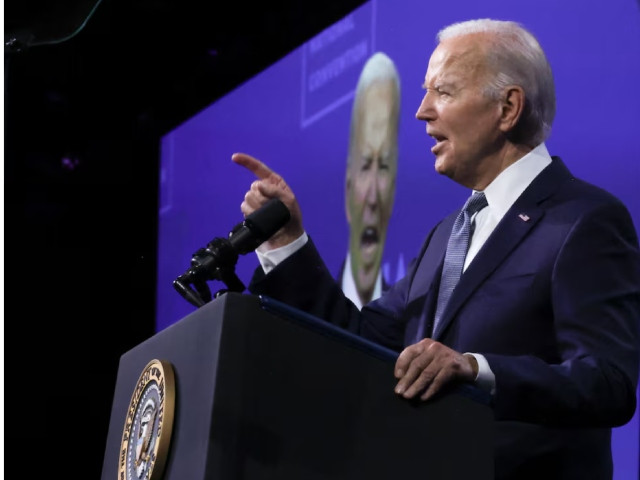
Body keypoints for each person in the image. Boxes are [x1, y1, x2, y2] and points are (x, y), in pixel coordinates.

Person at [232, 18, 640, 479]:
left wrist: (476, 370)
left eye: (442, 92)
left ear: (507, 108)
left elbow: (607, 381)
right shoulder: (445, 236)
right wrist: (287, 245)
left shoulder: (583, 219)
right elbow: (358, 342)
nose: (422, 111)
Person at [339, 51, 401, 309]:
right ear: (348, 190)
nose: (374, 198)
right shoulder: (306, 317)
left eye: (384, 166)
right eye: (366, 166)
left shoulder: (409, 327)